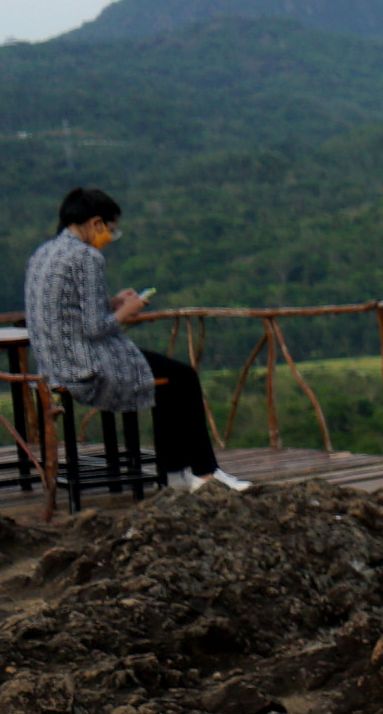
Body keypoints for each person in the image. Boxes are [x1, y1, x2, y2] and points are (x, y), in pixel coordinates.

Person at [22, 186, 250, 495]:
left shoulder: (43, 253)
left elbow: (70, 312)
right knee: (183, 377)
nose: (109, 238)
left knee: (168, 379)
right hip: (87, 366)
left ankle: (176, 473)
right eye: (110, 230)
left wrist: (111, 303)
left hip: (53, 366)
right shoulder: (86, 256)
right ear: (96, 223)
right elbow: (94, 328)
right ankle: (205, 472)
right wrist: (127, 311)